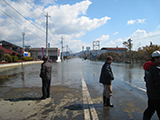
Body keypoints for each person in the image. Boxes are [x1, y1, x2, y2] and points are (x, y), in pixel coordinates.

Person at [143, 50, 160, 120]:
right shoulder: (156, 69)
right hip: (157, 95)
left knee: (150, 109)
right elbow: (158, 84)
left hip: (150, 93)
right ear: (155, 58)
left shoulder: (148, 68)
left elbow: (145, 79)